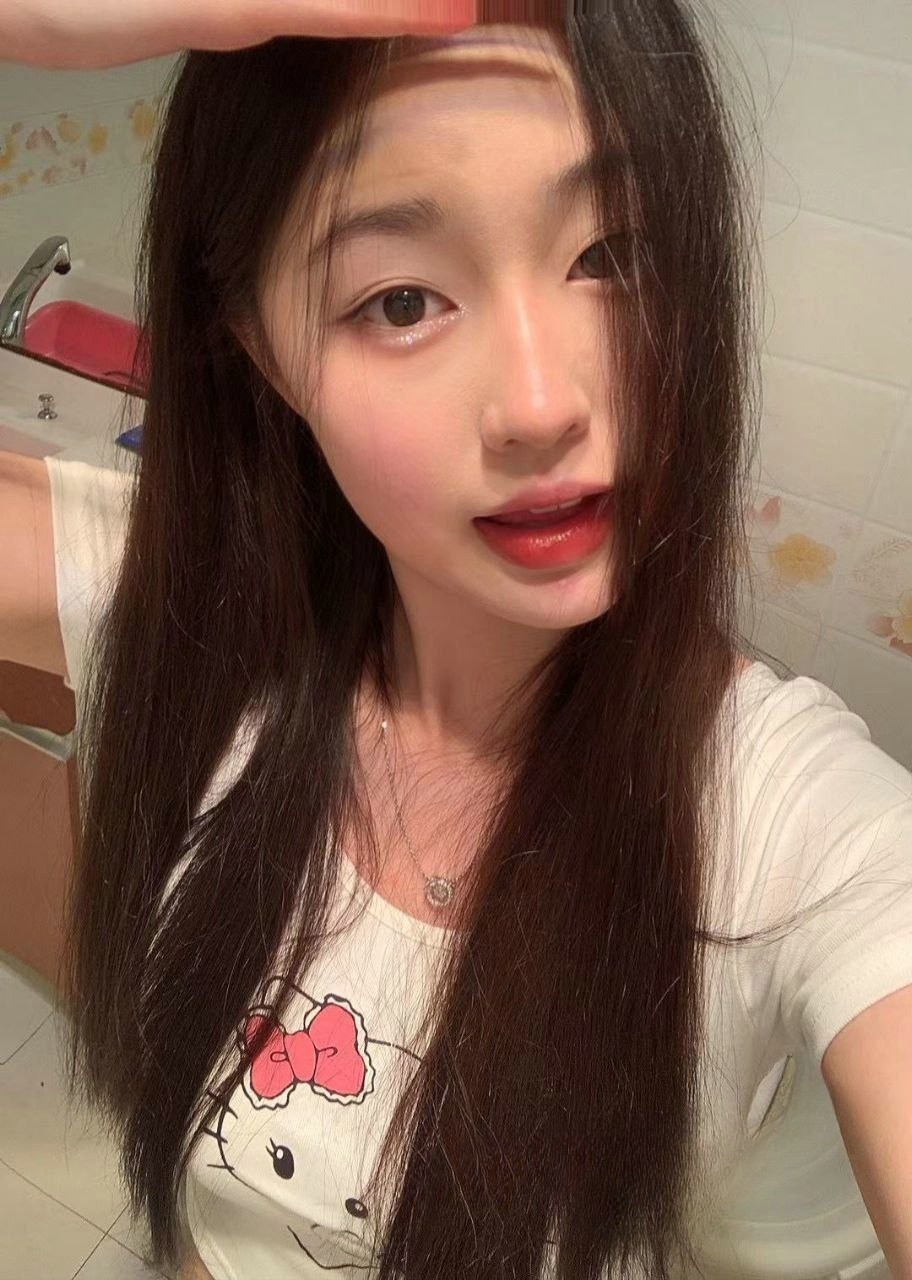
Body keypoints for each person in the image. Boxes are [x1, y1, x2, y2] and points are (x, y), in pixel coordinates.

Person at [1, 5, 911, 1280]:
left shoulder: (800, 828)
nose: (542, 403)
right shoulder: (190, 615)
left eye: (614, 253)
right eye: (402, 299)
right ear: (261, 349)